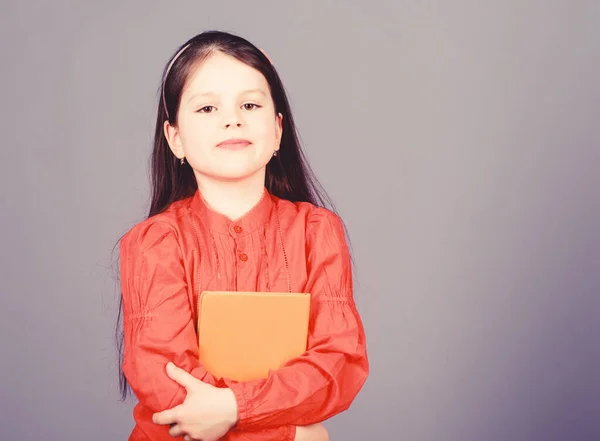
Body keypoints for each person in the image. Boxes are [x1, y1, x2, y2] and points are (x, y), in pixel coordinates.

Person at [115, 30, 369, 441]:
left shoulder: (318, 232)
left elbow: (338, 365)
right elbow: (169, 390)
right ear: (174, 138)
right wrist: (291, 435)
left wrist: (233, 408)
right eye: (207, 108)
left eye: (249, 104)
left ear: (278, 129)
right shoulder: (153, 242)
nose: (232, 119)